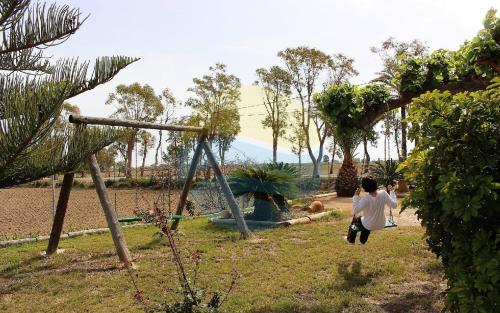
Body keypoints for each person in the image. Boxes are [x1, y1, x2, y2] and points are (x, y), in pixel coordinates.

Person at [343, 177, 397, 244]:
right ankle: (363, 240)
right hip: (381, 224)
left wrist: (356, 196)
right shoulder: (383, 194)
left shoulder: (366, 199)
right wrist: (391, 191)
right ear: (376, 184)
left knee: (356, 219)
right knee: (365, 220)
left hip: (369, 225)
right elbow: (394, 205)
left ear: (365, 188)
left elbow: (355, 211)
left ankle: (350, 240)